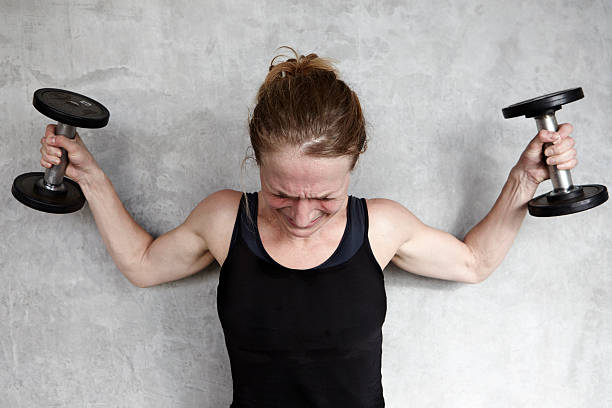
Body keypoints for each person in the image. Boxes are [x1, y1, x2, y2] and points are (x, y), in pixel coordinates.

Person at [39, 47, 577, 407]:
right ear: (256, 163)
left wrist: (525, 179)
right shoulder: (225, 219)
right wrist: (89, 176)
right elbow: (142, 265)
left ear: (353, 165)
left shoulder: (381, 226)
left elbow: (474, 263)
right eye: (281, 194)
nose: (301, 216)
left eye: (325, 198)